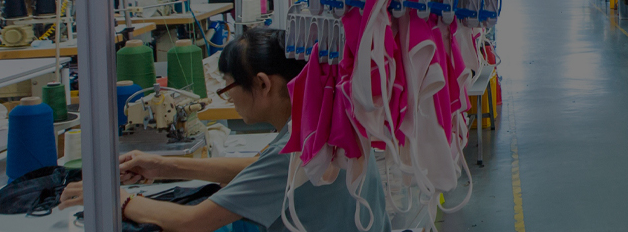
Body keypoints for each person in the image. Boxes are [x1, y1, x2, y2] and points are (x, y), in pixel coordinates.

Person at [59, 27, 388, 232]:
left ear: (261, 84)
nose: (227, 98)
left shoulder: (298, 142)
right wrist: (164, 166)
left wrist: (115, 199)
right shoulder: (324, 120)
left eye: (228, 88)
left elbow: (193, 223)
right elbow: (264, 170)